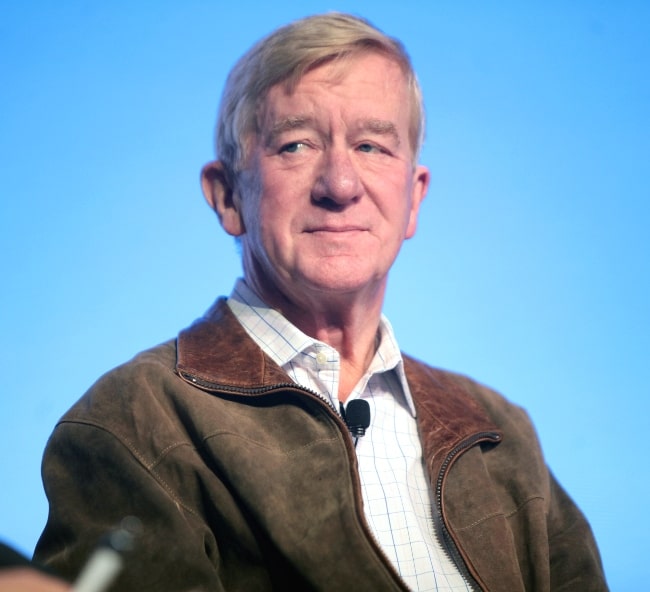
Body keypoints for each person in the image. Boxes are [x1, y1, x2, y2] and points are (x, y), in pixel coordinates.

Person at [33, 12, 608, 592]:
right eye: (296, 144)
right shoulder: (131, 423)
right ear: (228, 195)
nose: (340, 184)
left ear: (413, 199)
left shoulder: (501, 433)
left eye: (371, 146)